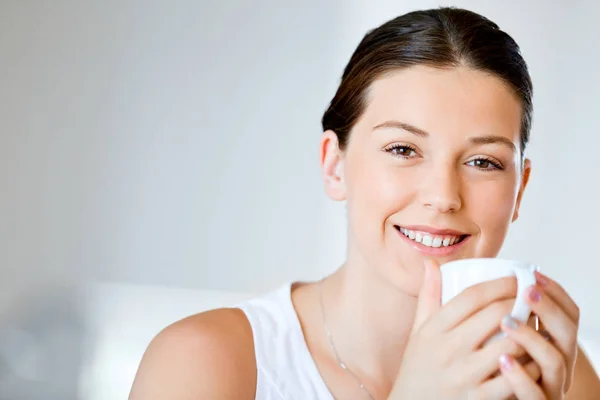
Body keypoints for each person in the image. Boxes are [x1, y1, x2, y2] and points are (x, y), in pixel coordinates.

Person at [129, 7, 600, 399]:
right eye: (403, 150)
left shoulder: (560, 374)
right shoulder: (204, 364)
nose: (443, 196)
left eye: (482, 162)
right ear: (335, 166)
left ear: (519, 191)